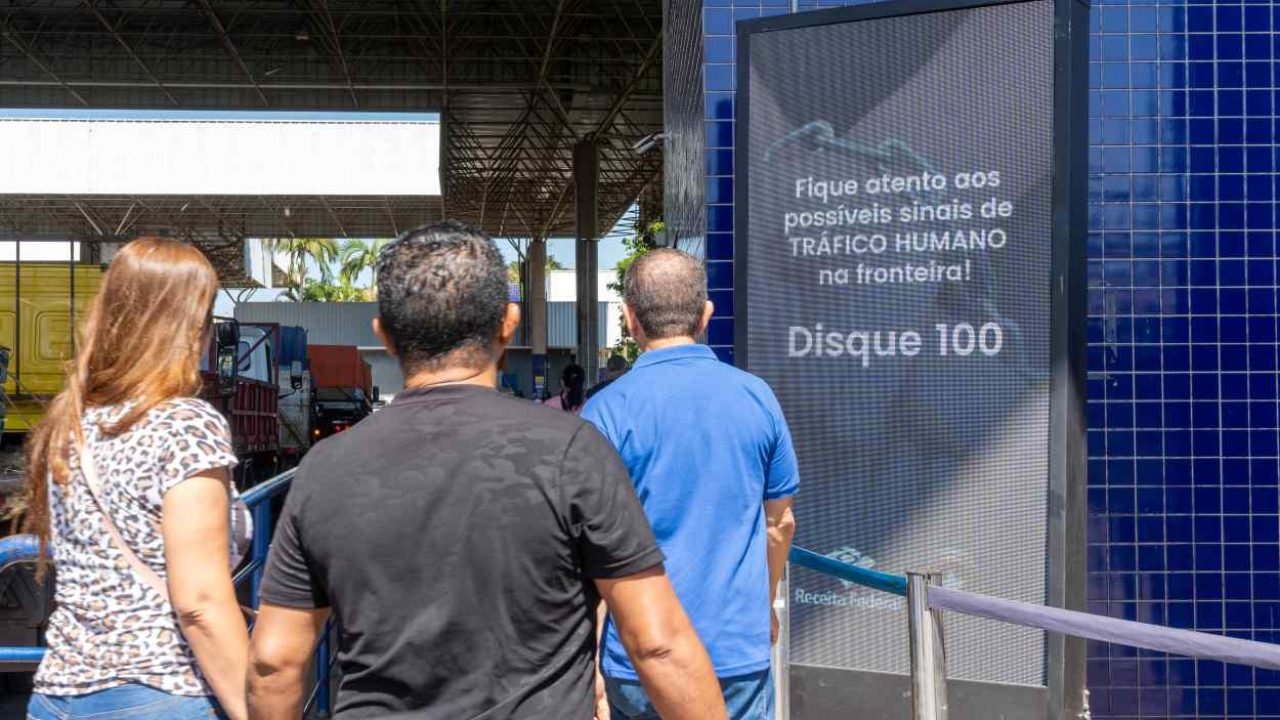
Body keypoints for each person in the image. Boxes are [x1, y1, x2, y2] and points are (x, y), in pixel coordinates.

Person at [247, 221, 726, 720]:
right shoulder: (571, 450)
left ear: (384, 335)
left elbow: (274, 662)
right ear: (509, 322)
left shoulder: (326, 467)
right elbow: (659, 645)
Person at [23, 238, 250, 720]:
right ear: (189, 325)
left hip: (58, 695)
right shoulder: (185, 423)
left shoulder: (71, 422)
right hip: (160, 690)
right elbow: (200, 604)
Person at [583, 249, 799, 720]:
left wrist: (590, 664)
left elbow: (591, 551)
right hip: (736, 652)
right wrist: (762, 607)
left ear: (629, 319)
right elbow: (779, 524)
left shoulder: (604, 412)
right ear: (705, 315)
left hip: (637, 657)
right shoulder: (756, 397)